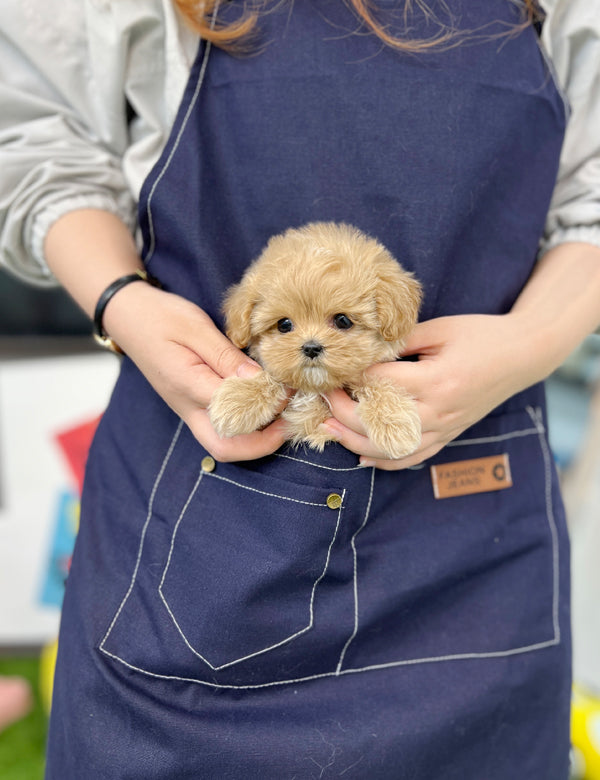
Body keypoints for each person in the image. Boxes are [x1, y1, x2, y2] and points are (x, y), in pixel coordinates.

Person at [1, 0, 600, 776]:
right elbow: (32, 127)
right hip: (201, 544)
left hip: (464, 544)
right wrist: (125, 301)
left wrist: (530, 341)